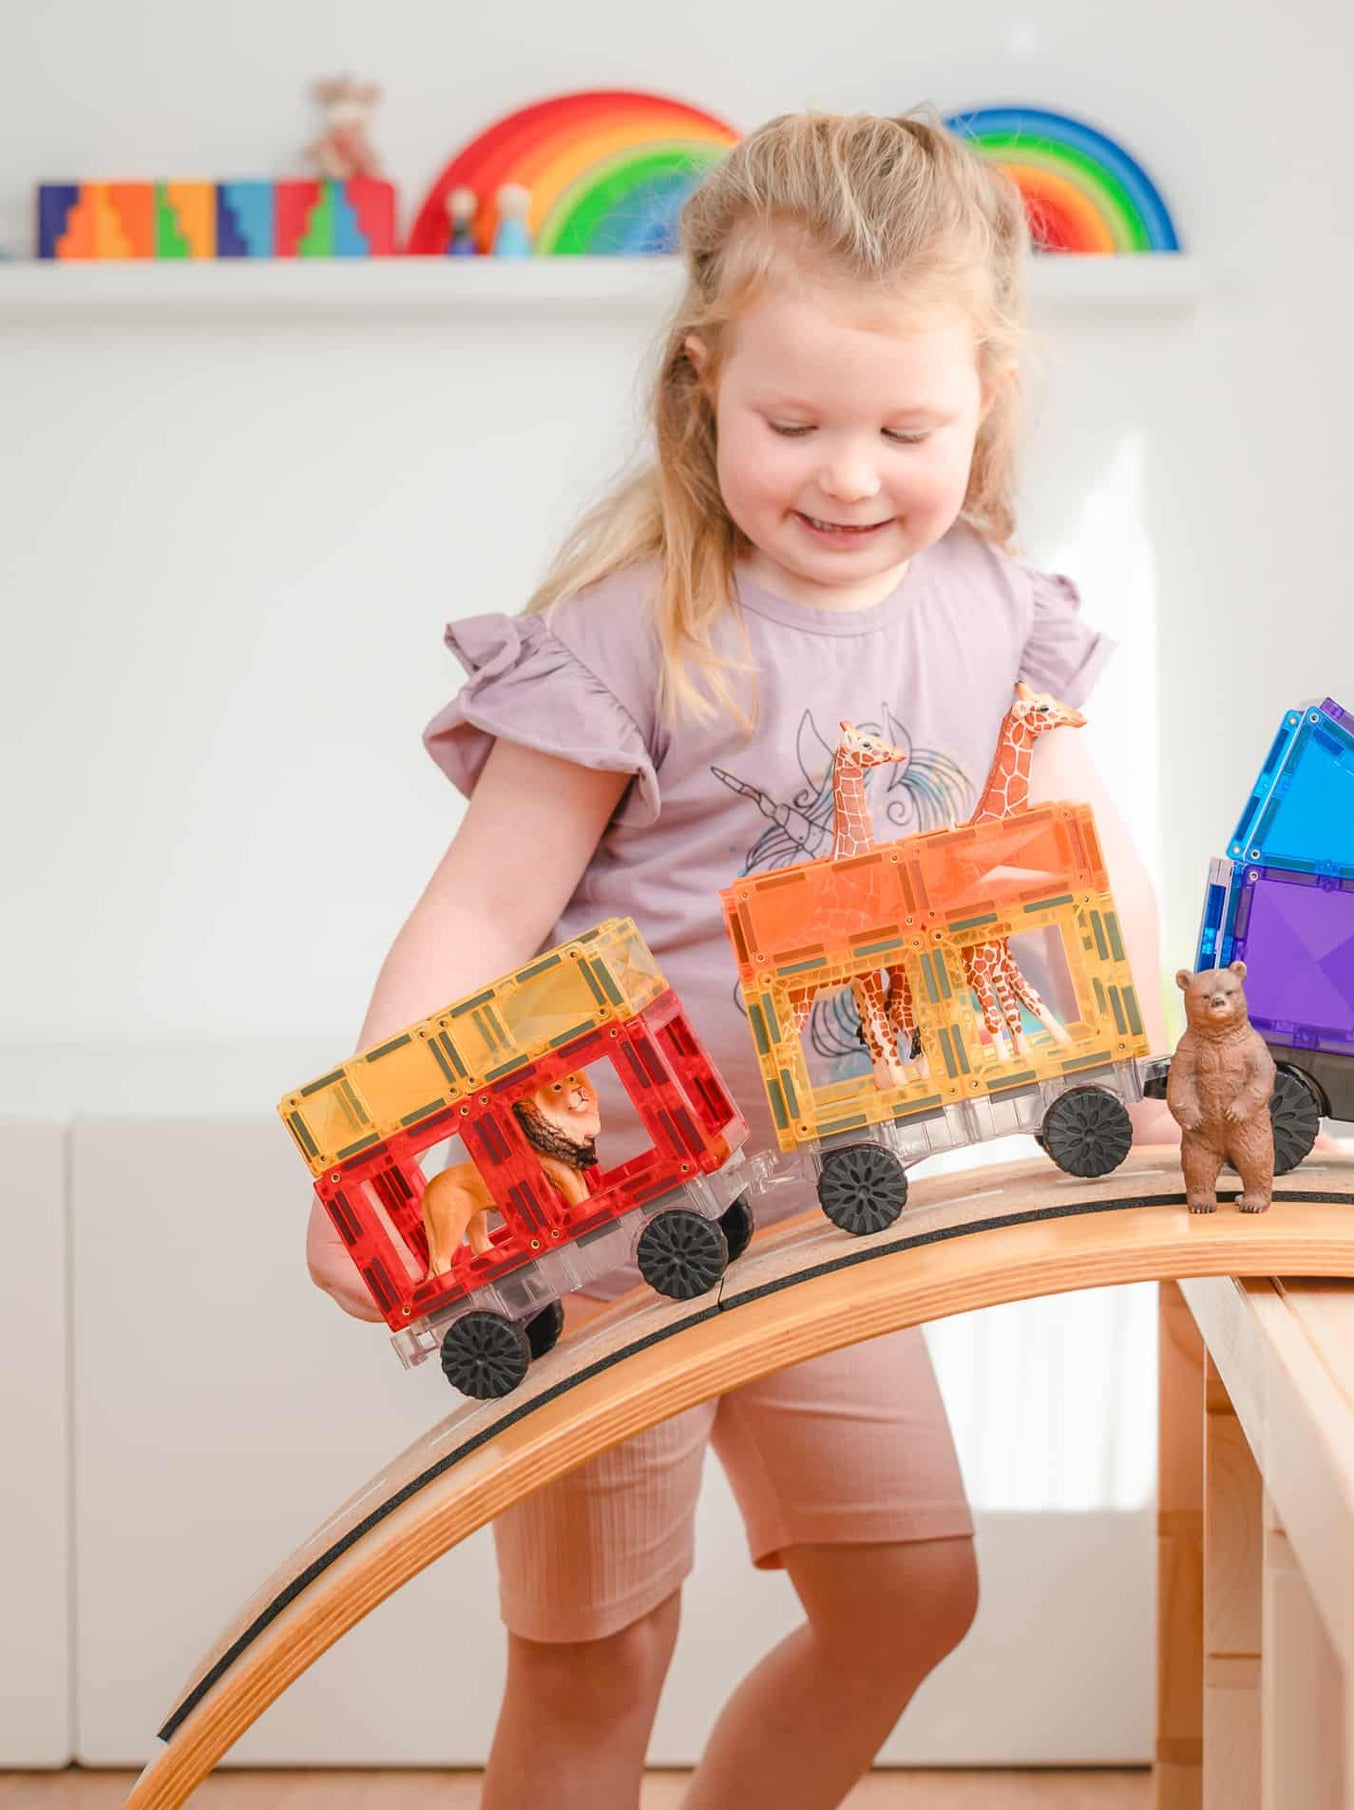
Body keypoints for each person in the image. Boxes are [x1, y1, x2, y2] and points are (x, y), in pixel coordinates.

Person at [304, 109, 1167, 1810]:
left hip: (828, 1205)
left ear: (985, 396)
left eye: (904, 429)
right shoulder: (633, 630)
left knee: (908, 1594)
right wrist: (375, 1164)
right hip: (607, 1220)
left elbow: (1079, 858)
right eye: (794, 424)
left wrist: (1133, 1065)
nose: (847, 477)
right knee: (595, 1657)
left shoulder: (1000, 613)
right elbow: (479, 914)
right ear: (703, 383)